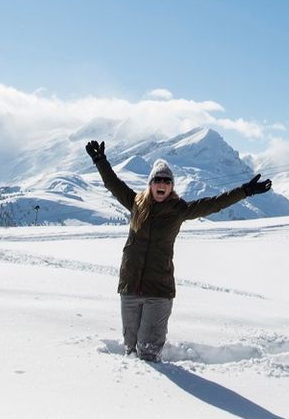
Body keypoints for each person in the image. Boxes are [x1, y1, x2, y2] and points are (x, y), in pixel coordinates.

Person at [85, 139, 272, 362]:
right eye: (157, 180)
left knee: (148, 352)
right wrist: (100, 161)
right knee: (130, 349)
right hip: (130, 287)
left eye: (166, 180)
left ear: (171, 186)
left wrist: (245, 191)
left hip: (158, 291)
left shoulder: (179, 210)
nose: (161, 184)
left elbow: (214, 203)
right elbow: (113, 184)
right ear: (150, 183)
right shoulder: (136, 203)